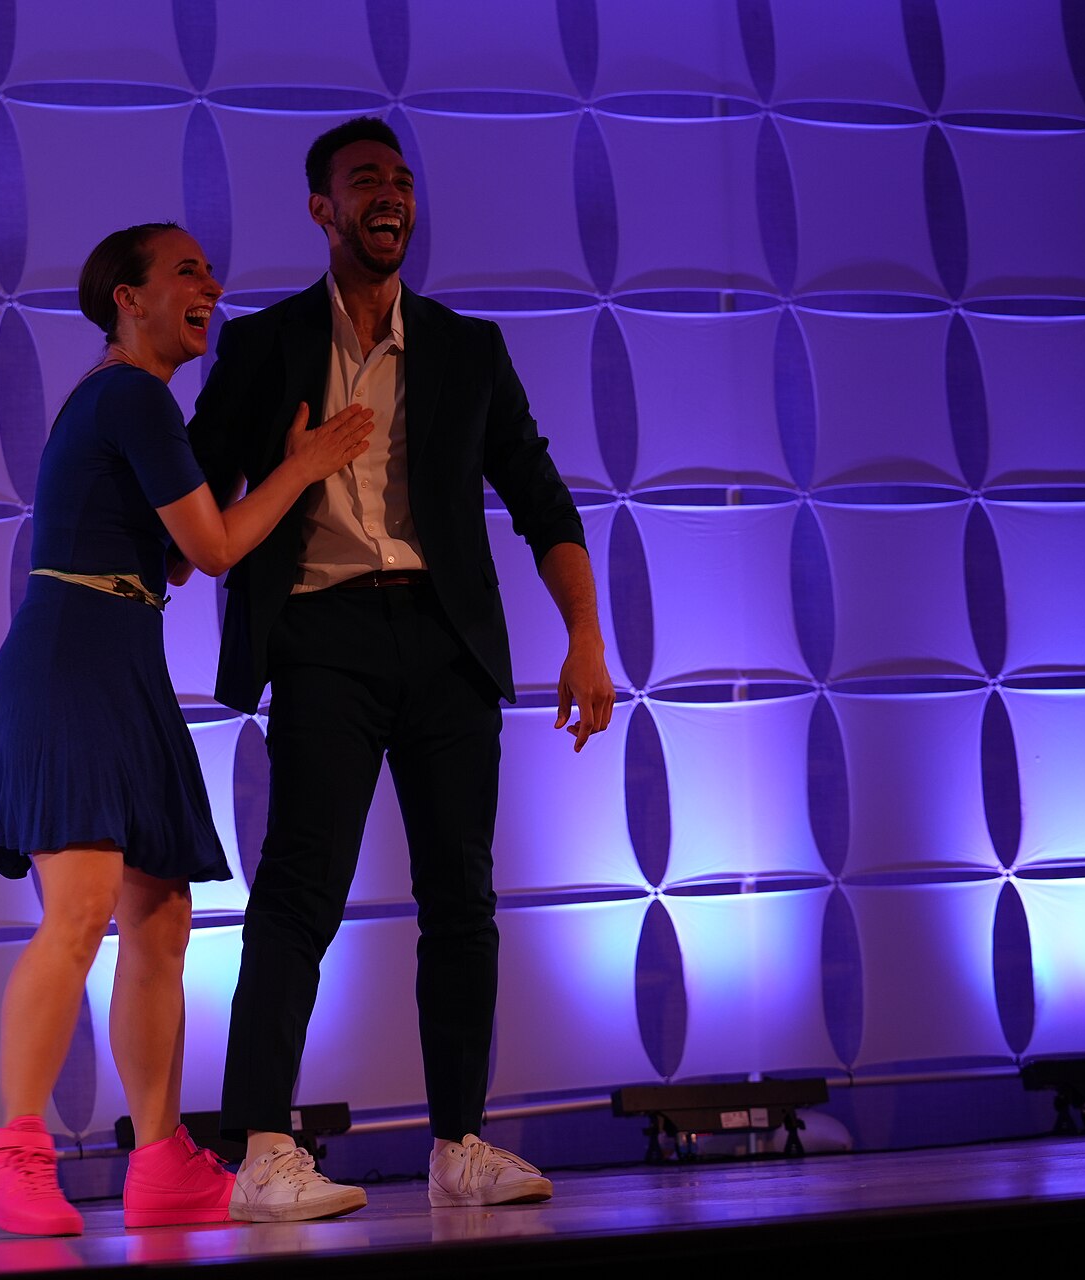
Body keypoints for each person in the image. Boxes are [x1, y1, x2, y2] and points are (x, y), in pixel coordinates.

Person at [185, 118, 616, 1222]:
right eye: (364, 181)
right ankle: (265, 1150)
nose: (390, 195)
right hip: (323, 634)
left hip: (445, 637)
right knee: (298, 889)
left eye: (402, 181)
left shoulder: (467, 348)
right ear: (323, 210)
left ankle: (456, 1141)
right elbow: (193, 495)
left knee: (462, 899)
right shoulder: (269, 345)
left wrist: (585, 636)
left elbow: (542, 500)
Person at [0, 222, 375, 1236]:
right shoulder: (130, 393)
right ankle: (14, 1148)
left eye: (208, 269)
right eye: (186, 269)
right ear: (127, 299)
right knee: (85, 905)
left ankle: (158, 1159)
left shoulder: (140, 409)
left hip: (120, 652)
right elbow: (218, 547)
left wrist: (264, 473)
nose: (211, 283)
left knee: (161, 916)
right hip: (75, 657)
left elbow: (180, 557)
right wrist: (309, 463)